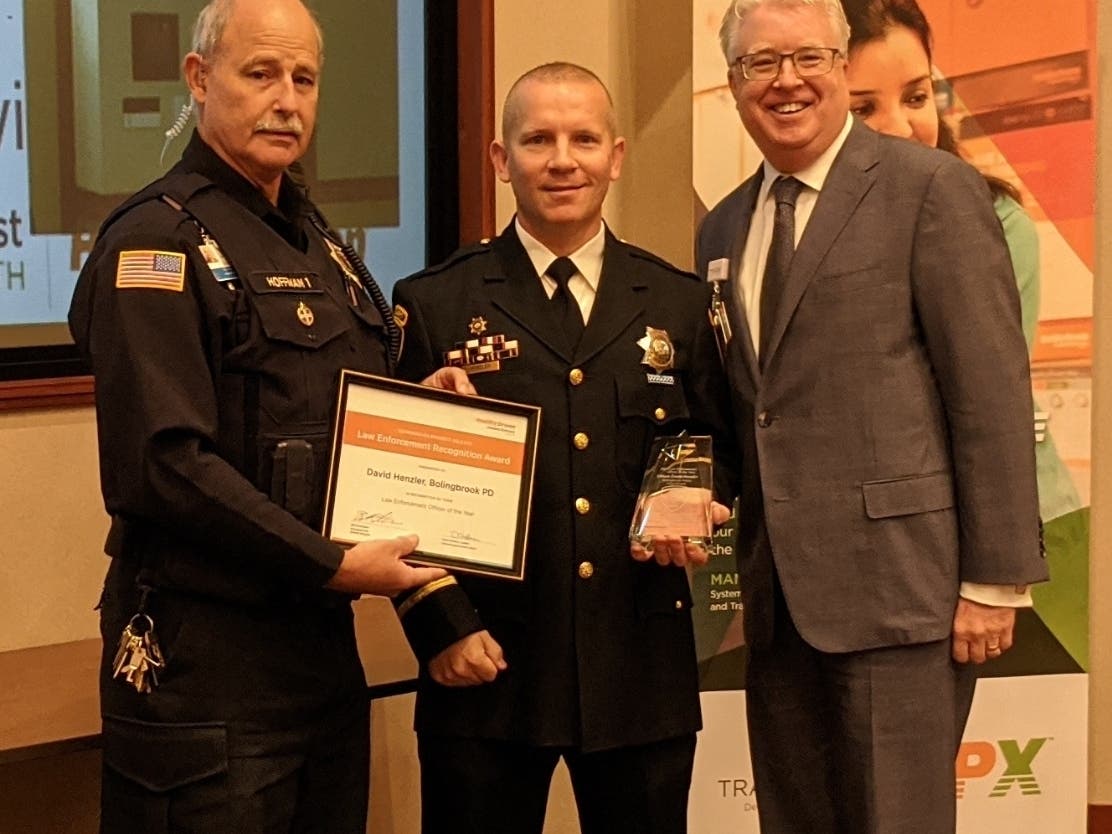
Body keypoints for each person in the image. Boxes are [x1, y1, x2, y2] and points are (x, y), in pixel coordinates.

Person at [67, 1, 469, 830]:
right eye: (261, 74)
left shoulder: (319, 244)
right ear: (198, 77)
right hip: (206, 670)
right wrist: (331, 563)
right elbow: (164, 465)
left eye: (304, 78)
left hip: (317, 660)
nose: (287, 99)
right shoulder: (156, 242)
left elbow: (336, 415)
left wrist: (421, 410)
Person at [698, 1, 1048, 831]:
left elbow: (990, 393)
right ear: (734, 85)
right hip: (780, 604)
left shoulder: (931, 189)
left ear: (841, 64)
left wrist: (994, 585)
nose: (786, 81)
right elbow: (740, 407)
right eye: (759, 64)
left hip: (905, 593)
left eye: (807, 58)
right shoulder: (723, 224)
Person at [389, 62, 737, 834]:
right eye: (538, 139)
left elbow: (721, 441)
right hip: (486, 662)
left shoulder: (678, 303)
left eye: (583, 138)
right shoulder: (437, 302)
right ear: (500, 158)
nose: (562, 159)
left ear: (615, 155)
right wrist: (439, 625)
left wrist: (692, 500)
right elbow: (392, 493)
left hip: (638, 670)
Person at [840, 0, 1084, 525]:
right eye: (864, 109)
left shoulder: (996, 221)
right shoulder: (803, 226)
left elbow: (979, 402)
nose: (901, 126)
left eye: (916, 96)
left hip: (1023, 523)